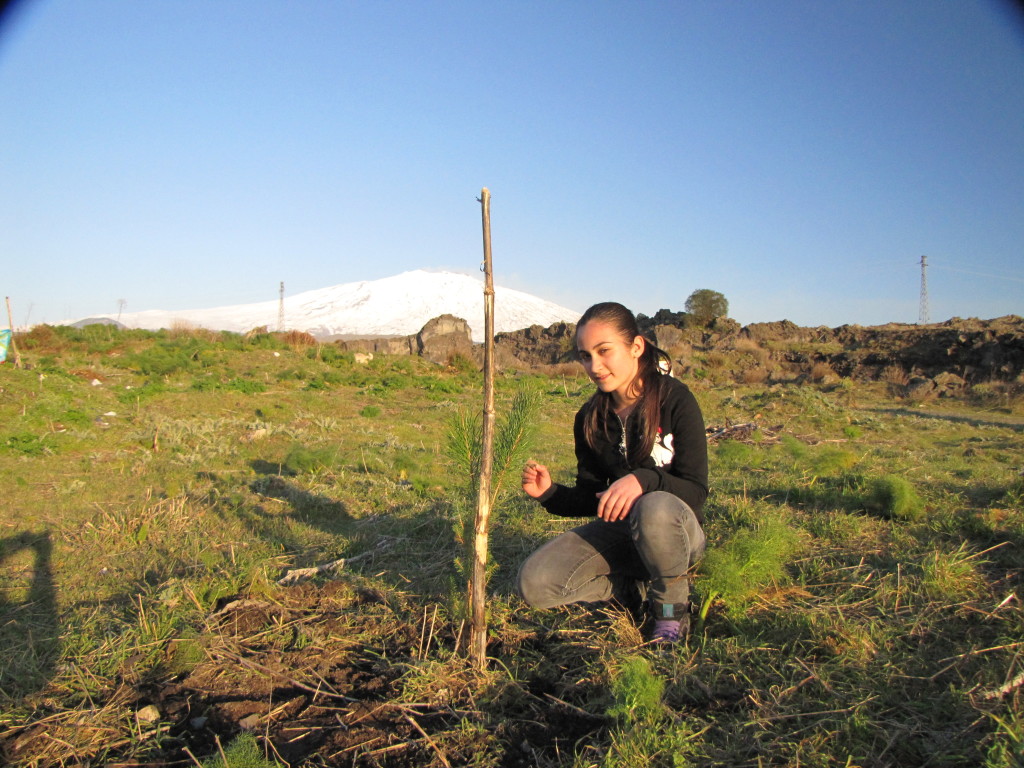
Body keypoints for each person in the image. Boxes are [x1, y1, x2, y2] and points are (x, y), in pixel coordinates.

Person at [517, 301, 709, 644]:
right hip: (624, 535)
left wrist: (643, 481)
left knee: (654, 506)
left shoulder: (675, 400)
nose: (595, 365)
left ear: (636, 347)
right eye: (585, 355)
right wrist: (549, 493)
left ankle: (669, 609)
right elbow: (594, 498)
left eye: (604, 351)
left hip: (678, 534)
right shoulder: (590, 418)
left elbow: (696, 492)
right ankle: (622, 591)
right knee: (535, 582)